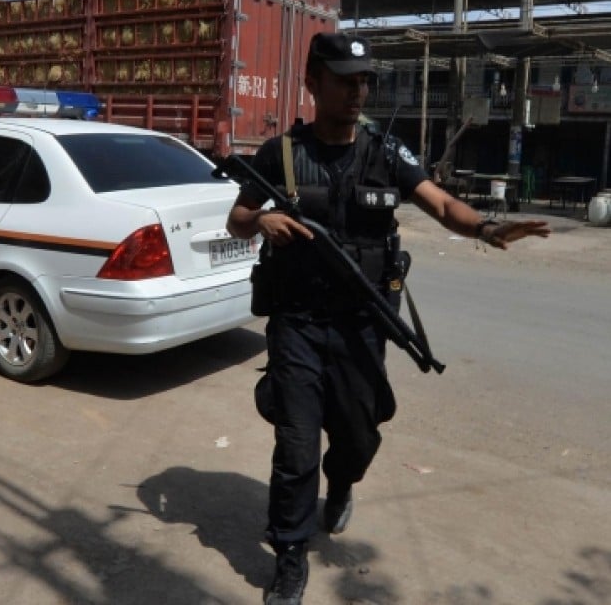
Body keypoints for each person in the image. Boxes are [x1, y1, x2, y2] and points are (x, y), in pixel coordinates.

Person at [225, 33, 551, 605]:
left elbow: (442, 203)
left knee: (356, 438)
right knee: (296, 447)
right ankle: (291, 559)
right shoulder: (280, 155)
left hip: (361, 325)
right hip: (297, 322)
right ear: (313, 83)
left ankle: (343, 482)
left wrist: (485, 228)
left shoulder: (386, 153)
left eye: (364, 80)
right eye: (345, 79)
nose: (358, 90)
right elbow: (238, 219)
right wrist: (263, 223)